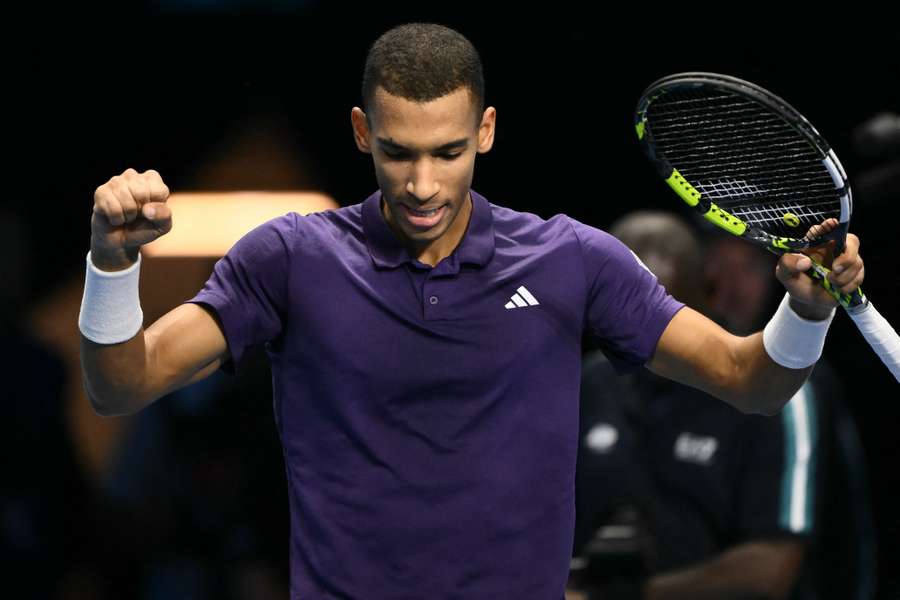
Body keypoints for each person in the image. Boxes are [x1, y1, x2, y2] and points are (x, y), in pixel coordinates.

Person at [78, 23, 865, 599]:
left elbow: (750, 382)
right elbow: (120, 386)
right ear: (362, 133)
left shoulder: (571, 259)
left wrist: (804, 311)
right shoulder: (288, 258)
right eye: (399, 152)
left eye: (447, 152)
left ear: (485, 131)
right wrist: (112, 264)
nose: (422, 184)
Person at [569, 212, 835, 600]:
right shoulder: (583, 381)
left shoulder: (775, 388)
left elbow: (771, 569)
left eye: (658, 307)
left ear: (702, 293)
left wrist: (622, 597)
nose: (639, 328)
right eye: (619, 307)